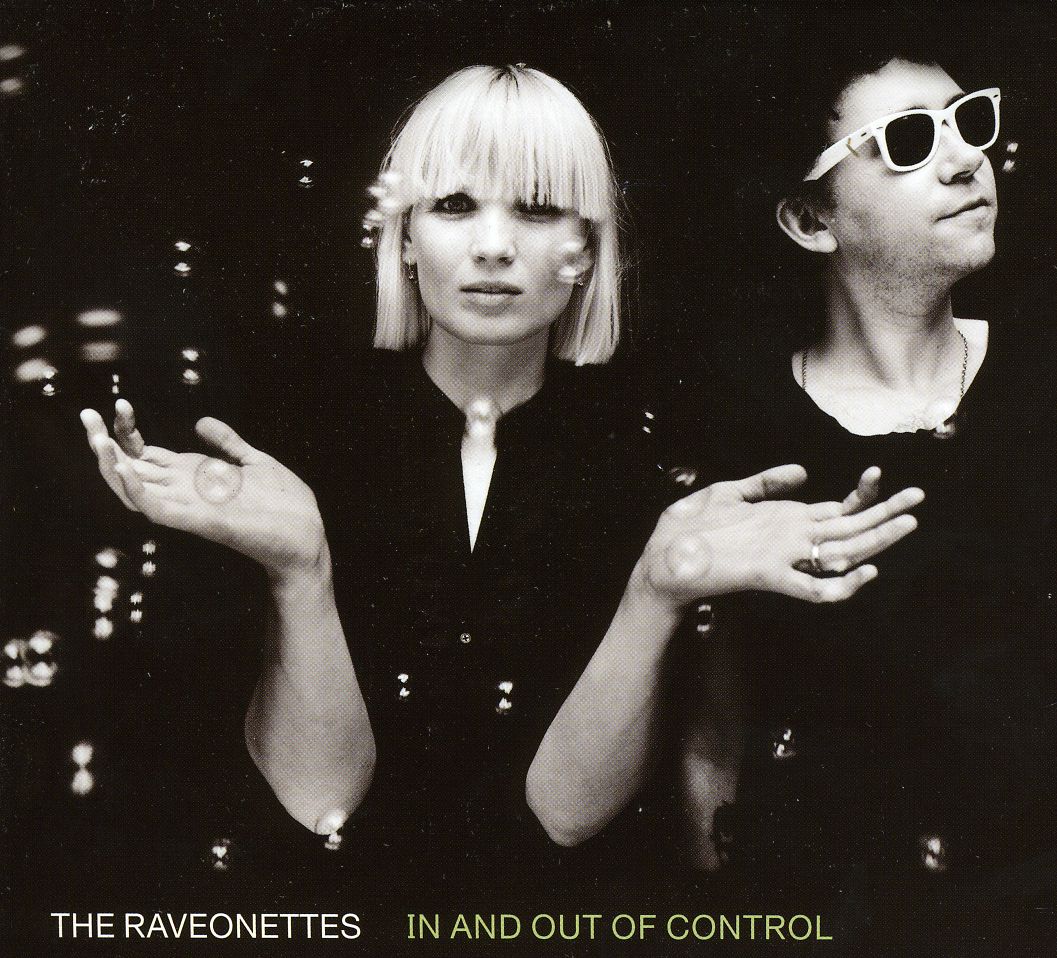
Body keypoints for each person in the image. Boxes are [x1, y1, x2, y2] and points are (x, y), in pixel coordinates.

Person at [79, 65, 921, 882]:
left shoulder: (656, 469)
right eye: (452, 206)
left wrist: (654, 593)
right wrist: (301, 572)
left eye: (538, 208)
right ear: (404, 237)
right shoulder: (285, 459)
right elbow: (316, 800)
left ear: (588, 248)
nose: (492, 247)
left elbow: (562, 820)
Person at [676, 34, 1057, 951]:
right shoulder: (747, 444)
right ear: (812, 220)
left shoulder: (1041, 382)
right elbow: (715, 730)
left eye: (969, 120)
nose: (963, 158)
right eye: (909, 140)